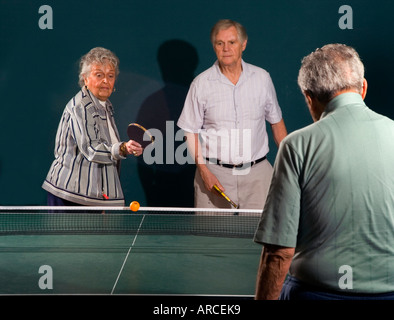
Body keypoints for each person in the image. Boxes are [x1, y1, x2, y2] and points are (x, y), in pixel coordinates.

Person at [254, 43, 394, 300]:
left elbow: (279, 253)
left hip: (315, 294)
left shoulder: (297, 145)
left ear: (309, 97)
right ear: (363, 87)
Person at [177, 19, 287, 209]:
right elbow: (189, 131)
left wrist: (290, 163)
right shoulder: (201, 84)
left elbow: (276, 122)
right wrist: (203, 170)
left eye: (232, 42)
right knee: (211, 238)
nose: (226, 48)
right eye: (220, 43)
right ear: (214, 47)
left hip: (258, 177)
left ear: (243, 44)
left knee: (261, 238)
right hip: (214, 176)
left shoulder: (262, 78)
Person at [42, 47, 140, 208]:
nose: (106, 81)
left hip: (91, 196)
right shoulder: (81, 107)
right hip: (69, 196)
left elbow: (107, 148)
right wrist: (122, 148)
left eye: (110, 75)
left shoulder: (105, 105)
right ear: (85, 79)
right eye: (99, 75)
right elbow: (92, 149)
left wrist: (126, 148)